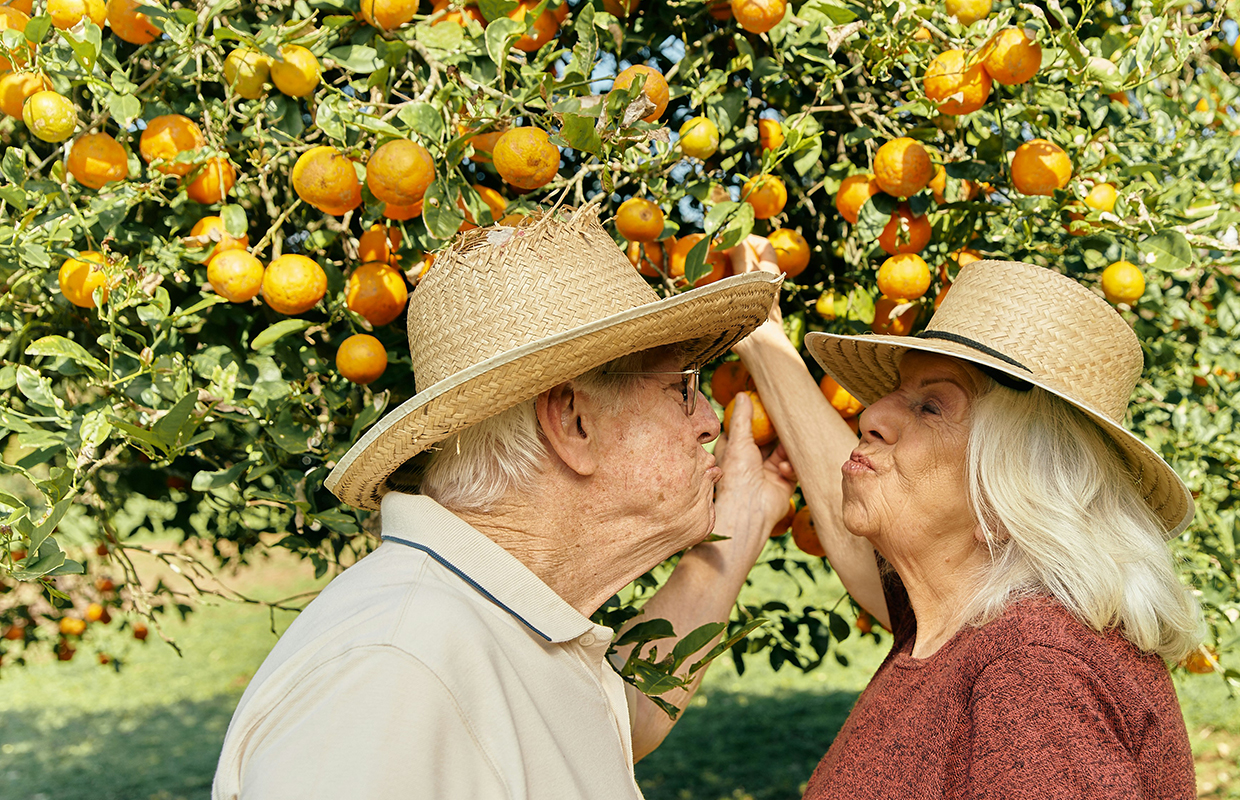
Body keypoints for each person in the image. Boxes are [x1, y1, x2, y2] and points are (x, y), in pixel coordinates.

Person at [212, 207, 797, 800]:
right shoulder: (391, 670)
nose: (709, 421)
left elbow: (605, 726)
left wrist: (744, 514)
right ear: (573, 421)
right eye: (682, 388)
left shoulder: (486, 621)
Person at [728, 240, 1202, 799]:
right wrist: (760, 335)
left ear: (1008, 495)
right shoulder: (958, 623)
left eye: (931, 407)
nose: (870, 414)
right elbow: (855, 518)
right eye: (895, 392)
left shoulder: (1034, 675)